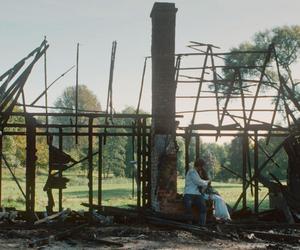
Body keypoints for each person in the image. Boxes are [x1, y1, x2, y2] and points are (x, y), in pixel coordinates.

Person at [183, 158, 210, 225]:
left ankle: (201, 225)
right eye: (202, 166)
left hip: (196, 194)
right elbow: (198, 182)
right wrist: (207, 182)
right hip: (188, 193)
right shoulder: (192, 171)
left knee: (203, 209)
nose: (202, 168)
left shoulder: (195, 172)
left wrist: (205, 182)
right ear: (199, 166)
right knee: (188, 210)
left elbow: (200, 181)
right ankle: (190, 225)